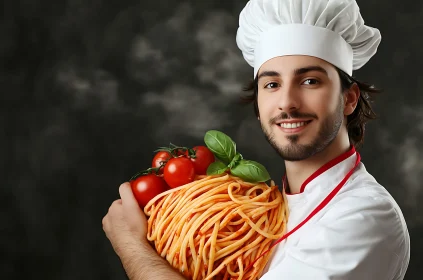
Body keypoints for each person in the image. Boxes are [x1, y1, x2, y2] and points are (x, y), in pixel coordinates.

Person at [102, 0, 411, 279]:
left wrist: (131, 244)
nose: (287, 102)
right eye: (272, 84)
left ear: (349, 99)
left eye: (310, 81)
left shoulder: (364, 217)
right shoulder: (268, 207)